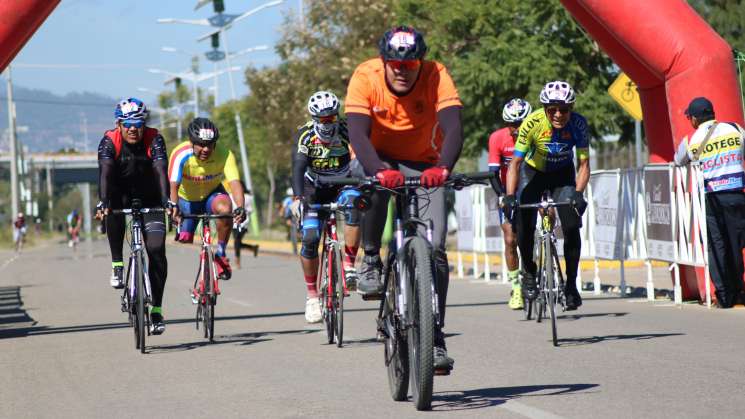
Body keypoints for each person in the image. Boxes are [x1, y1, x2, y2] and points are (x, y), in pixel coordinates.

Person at [345, 26, 463, 370]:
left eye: (409, 64)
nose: (401, 69)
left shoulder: (437, 74)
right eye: (394, 63)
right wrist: (379, 170)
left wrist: (443, 167)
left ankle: (435, 336)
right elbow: (357, 133)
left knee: (436, 248)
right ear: (384, 61)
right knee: (376, 187)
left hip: (425, 163)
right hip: (375, 157)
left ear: (419, 62)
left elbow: (454, 127)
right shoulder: (365, 76)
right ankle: (370, 257)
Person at [503, 81, 590, 311]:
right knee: (523, 224)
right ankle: (529, 273)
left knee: (571, 224)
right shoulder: (532, 123)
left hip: (562, 175)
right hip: (533, 173)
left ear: (571, 107)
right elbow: (515, 163)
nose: (559, 114)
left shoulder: (579, 124)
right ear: (544, 109)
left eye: (564, 109)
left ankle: (571, 286)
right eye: (552, 109)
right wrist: (510, 196)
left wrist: (579, 194)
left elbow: (583, 164)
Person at [96, 97, 176, 335]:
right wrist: (103, 201)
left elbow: (162, 170)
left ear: (144, 124)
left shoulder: (155, 138)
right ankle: (117, 263)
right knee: (112, 208)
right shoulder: (109, 141)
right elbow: (106, 174)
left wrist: (166, 201)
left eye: (138, 123)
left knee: (157, 250)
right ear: (119, 124)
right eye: (127, 123)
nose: (133, 128)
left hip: (151, 197)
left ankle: (157, 311)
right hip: (119, 194)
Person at [291, 90, 361, 323]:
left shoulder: (346, 130)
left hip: (343, 183)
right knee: (310, 238)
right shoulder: (305, 136)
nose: (328, 123)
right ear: (314, 119)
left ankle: (349, 265)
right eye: (322, 120)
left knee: (353, 205)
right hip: (314, 189)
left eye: (331, 118)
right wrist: (298, 198)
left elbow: (362, 155)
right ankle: (312, 297)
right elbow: (298, 167)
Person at [674, 96, 745, 308]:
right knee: (735, 244)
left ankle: (724, 296)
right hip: (737, 195)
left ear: (695, 119)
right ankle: (739, 291)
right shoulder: (735, 129)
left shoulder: (692, 140)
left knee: (716, 247)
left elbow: (678, 160)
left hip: (711, 200)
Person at [169, 117, 246, 282]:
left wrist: (240, 207)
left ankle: (221, 253)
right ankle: (194, 240)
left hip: (212, 194)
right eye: (201, 145)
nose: (205, 149)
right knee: (184, 238)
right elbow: (173, 185)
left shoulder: (225, 154)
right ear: (192, 142)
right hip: (187, 199)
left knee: (226, 210)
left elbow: (234, 183)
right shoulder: (180, 153)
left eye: (210, 145)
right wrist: (173, 207)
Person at [488, 98, 532, 310]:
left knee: (547, 215)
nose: (515, 129)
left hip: (533, 188)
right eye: (511, 124)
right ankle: (515, 287)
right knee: (510, 239)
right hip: (508, 191)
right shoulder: (497, 138)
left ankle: (539, 267)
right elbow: (493, 174)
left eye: (520, 124)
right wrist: (503, 196)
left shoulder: (536, 134)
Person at [227, 180, 259, 269]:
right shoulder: (229, 196)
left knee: (237, 241)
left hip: (243, 222)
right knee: (237, 242)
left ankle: (237, 262)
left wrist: (243, 212)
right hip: (233, 222)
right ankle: (253, 248)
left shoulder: (248, 197)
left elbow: (250, 210)